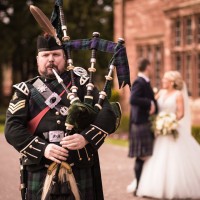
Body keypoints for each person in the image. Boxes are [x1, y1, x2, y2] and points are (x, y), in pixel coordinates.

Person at [4, 34, 118, 200]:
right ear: (38, 59)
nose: (51, 59)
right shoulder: (26, 90)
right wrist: (44, 148)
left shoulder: (83, 84)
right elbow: (12, 129)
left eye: (56, 54)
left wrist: (85, 138)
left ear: (65, 58)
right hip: (41, 167)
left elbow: (108, 113)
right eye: (45, 55)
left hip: (78, 165)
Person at [137, 70, 200, 199]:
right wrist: (156, 120)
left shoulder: (178, 95)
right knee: (157, 158)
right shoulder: (160, 93)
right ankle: (153, 187)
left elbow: (181, 113)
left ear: (171, 82)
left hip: (172, 128)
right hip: (159, 130)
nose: (162, 82)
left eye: (165, 80)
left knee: (175, 159)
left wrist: (169, 121)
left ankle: (175, 188)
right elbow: (153, 107)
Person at [127, 58, 157, 195]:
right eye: (151, 66)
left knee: (143, 156)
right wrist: (150, 103)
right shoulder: (140, 81)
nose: (152, 69)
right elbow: (133, 99)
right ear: (148, 67)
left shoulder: (143, 81)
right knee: (142, 156)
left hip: (142, 123)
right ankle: (138, 187)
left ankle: (141, 186)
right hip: (140, 123)